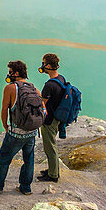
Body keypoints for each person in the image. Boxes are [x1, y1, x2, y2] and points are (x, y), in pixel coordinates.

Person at [0, 60, 42, 195]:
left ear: (16, 73)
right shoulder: (34, 89)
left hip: (16, 133)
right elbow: (43, 109)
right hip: (31, 132)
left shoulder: (11, 88)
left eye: (10, 71)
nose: (9, 74)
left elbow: (4, 108)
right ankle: (25, 188)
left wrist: (5, 125)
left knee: (4, 159)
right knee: (29, 160)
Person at [37, 52, 66, 182]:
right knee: (50, 146)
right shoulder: (61, 78)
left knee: (50, 147)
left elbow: (42, 103)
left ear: (48, 65)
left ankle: (53, 175)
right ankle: (52, 170)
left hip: (49, 121)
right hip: (57, 118)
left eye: (43, 63)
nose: (42, 66)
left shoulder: (49, 85)